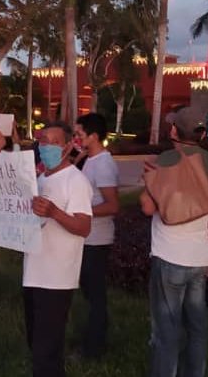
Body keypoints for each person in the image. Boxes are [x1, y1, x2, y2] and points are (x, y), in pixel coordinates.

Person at [139, 106, 208, 377]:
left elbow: (147, 208)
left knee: (168, 330)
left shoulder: (166, 159)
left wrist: (147, 181)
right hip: (199, 258)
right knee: (197, 328)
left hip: (169, 257)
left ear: (175, 130)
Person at [24, 121, 93, 377]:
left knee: (46, 351)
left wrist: (54, 212)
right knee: (36, 342)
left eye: (54, 142)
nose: (47, 147)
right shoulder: (39, 178)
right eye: (43, 141)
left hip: (56, 278)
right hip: (33, 272)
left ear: (67, 147)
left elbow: (84, 226)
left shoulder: (76, 181)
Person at [73, 112, 119, 359]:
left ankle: (94, 348)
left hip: (97, 240)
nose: (76, 138)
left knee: (95, 297)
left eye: (80, 134)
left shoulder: (103, 163)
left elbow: (112, 205)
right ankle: (91, 341)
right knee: (89, 294)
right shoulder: (89, 159)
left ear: (93, 136)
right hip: (86, 238)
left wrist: (81, 212)